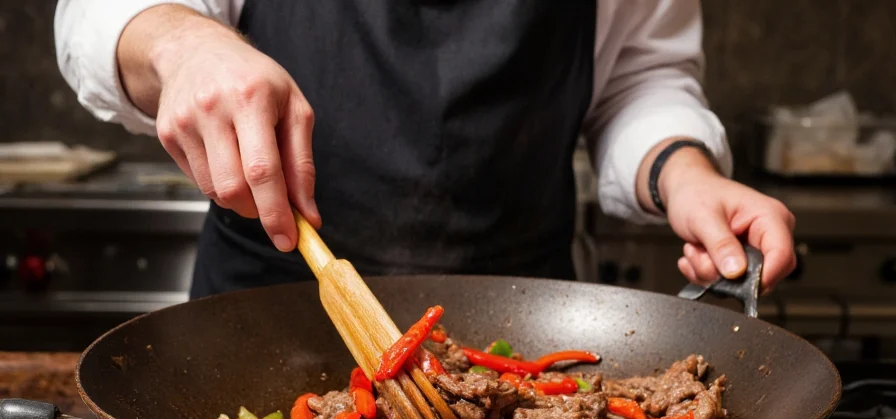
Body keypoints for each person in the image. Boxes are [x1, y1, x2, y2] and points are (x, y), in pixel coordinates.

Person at [55, 0, 796, 300]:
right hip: (268, 315)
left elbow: (639, 74)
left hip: (525, 322)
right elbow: (100, 13)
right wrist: (183, 44)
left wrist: (683, 171)